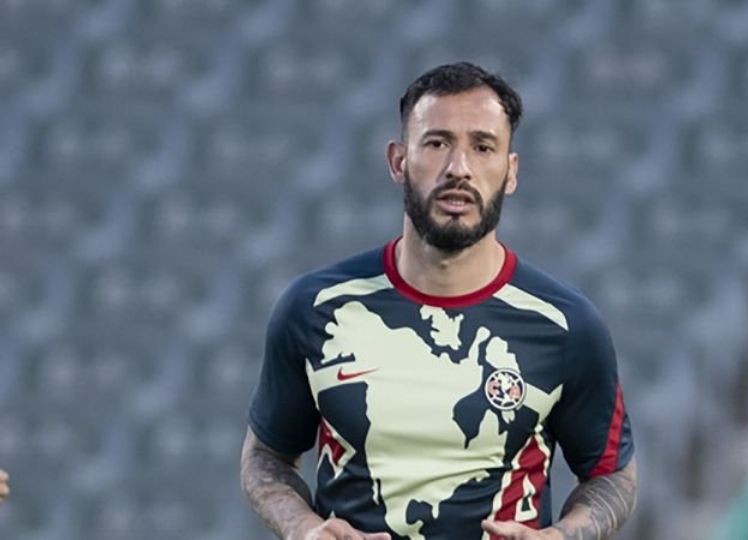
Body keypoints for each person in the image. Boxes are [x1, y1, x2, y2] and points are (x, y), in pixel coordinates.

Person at [241, 62, 637, 540]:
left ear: (511, 171)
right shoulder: (315, 308)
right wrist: (305, 530)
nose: (458, 168)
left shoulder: (566, 326)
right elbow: (266, 457)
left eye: (483, 147)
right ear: (398, 161)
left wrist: (561, 536)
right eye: (437, 143)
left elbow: (611, 474)